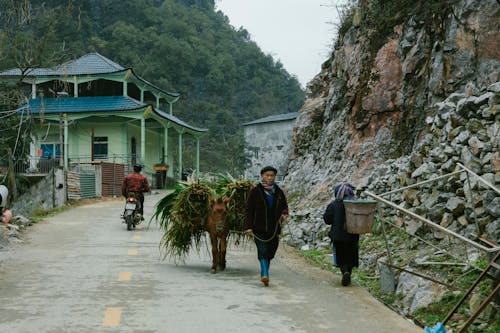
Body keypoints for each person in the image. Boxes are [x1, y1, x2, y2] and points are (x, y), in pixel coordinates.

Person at [244, 166, 288, 287]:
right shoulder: (255, 191)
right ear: (262, 176)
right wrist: (248, 227)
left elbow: (284, 206)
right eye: (267, 175)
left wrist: (284, 213)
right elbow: (248, 210)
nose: (269, 177)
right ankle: (264, 273)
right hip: (258, 227)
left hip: (274, 228)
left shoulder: (278, 191)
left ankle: (265, 272)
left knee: (271, 251)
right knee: (263, 250)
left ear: (274, 177)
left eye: (272, 175)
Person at [323, 181, 359, 286]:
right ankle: (349, 272)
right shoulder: (356, 204)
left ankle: (345, 272)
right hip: (353, 235)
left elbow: (327, 220)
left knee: (341, 256)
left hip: (338, 236)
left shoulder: (333, 205)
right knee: (351, 256)